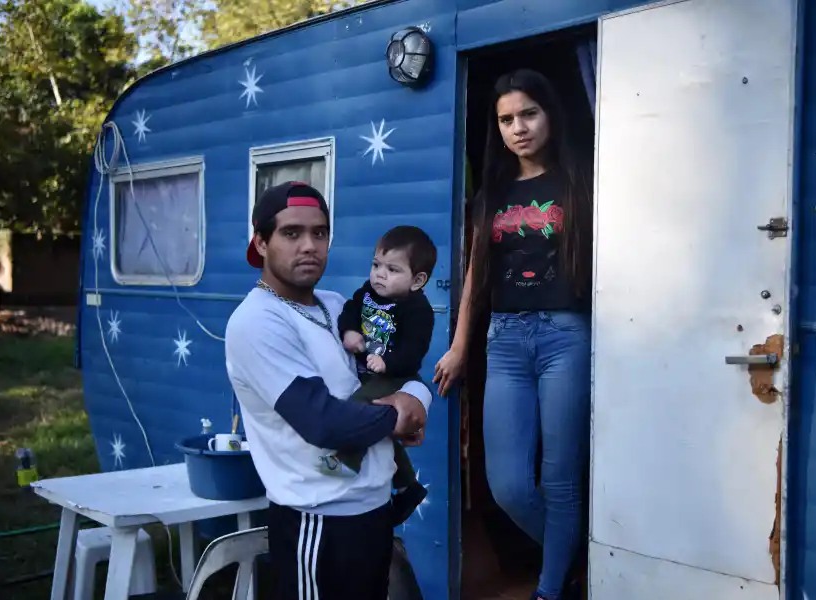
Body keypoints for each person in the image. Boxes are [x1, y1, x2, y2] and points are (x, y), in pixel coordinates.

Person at [224, 181, 431, 600]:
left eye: (319, 233)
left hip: (373, 511)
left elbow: (403, 369)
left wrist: (417, 398)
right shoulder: (257, 322)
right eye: (291, 233)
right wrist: (398, 415)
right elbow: (325, 421)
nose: (309, 245)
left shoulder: (339, 306)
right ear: (261, 242)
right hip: (317, 523)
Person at [432, 69, 593, 600]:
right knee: (508, 486)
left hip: (565, 336)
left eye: (529, 114)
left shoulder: (581, 179)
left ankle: (549, 590)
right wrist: (459, 345)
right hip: (502, 343)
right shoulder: (494, 191)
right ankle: (583, 561)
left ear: (550, 114)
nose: (518, 128)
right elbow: (477, 274)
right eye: (506, 119)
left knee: (560, 481)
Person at [335, 225, 437, 525]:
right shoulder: (367, 293)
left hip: (394, 376)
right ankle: (408, 486)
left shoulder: (418, 310)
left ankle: (345, 460)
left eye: (392, 269)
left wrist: (388, 364)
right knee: (383, 433)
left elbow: (414, 350)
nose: (379, 275)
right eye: (376, 265)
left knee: (359, 405)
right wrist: (349, 330)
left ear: (417, 280)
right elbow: (350, 311)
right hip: (369, 371)